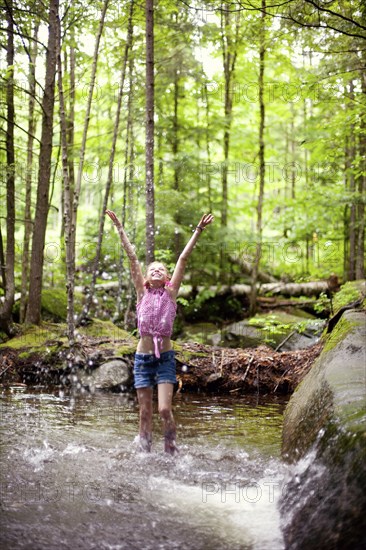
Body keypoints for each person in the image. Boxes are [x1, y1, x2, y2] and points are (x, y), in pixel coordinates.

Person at [105, 210, 214, 455]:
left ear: (166, 278)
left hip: (165, 359)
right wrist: (120, 229)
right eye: (152, 268)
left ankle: (171, 452)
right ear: (146, 276)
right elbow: (133, 259)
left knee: (164, 410)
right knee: (144, 414)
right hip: (143, 360)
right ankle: (144, 457)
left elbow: (183, 260)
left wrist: (198, 230)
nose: (156, 270)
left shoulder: (171, 294)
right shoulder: (141, 294)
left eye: (161, 269)